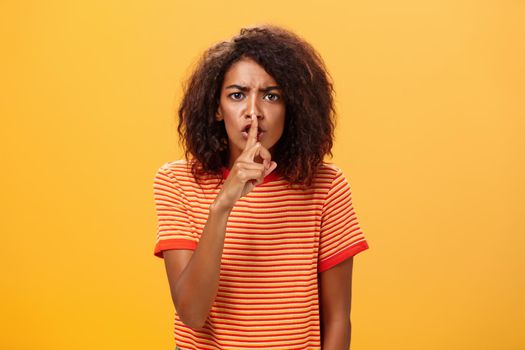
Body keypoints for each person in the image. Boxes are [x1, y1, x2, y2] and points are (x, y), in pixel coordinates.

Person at [152, 24, 370, 350]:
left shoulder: (326, 186)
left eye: (271, 96)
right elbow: (192, 313)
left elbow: (337, 319)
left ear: (291, 107)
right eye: (237, 95)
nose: (253, 112)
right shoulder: (176, 182)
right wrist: (224, 203)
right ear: (216, 107)